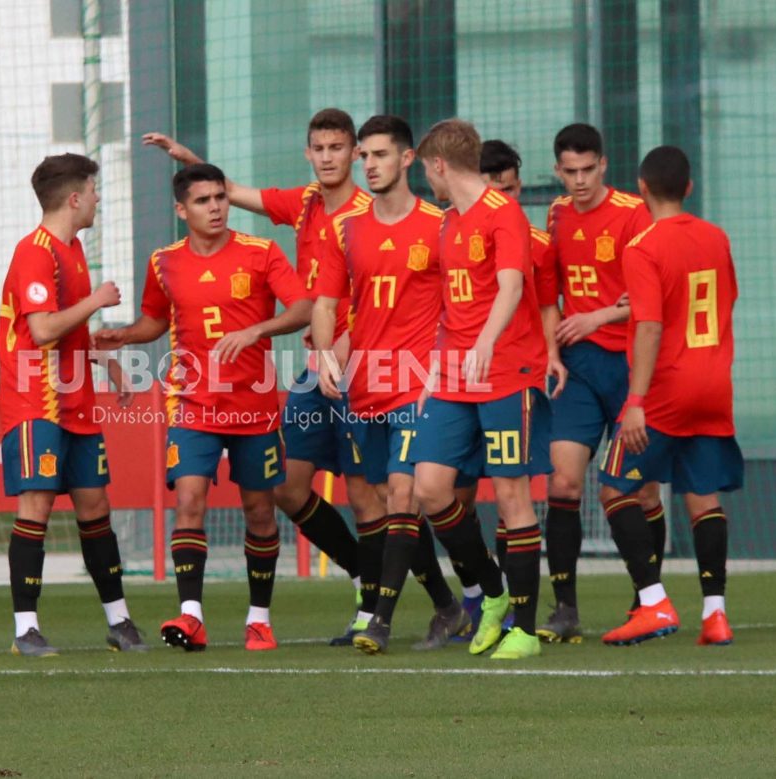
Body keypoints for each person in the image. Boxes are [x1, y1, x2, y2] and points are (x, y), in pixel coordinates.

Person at [143, 109, 384, 645]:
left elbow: (373, 292)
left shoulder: (373, 213)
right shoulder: (303, 204)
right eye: (319, 148)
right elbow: (233, 192)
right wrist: (190, 160)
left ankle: (395, 604)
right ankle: (364, 574)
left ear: (355, 154)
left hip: (363, 363)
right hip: (313, 368)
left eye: (338, 148)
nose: (327, 157)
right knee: (286, 489)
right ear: (309, 152)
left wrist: (339, 344)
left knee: (370, 492)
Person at [94, 163, 311, 651]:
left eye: (220, 197)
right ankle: (191, 615)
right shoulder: (164, 262)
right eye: (202, 200)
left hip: (253, 406)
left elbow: (302, 308)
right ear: (181, 209)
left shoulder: (261, 252)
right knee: (189, 499)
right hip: (192, 403)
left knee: (259, 511)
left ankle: (259, 618)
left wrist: (257, 330)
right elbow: (155, 321)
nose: (215, 207)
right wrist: (124, 335)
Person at [312, 115, 472, 654]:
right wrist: (327, 362)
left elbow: (460, 305)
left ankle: (377, 620)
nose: (371, 165)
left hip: (420, 385)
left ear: (408, 160)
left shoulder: (440, 225)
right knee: (382, 501)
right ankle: (452, 604)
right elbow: (327, 304)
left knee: (405, 496)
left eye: (380, 155)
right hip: (367, 384)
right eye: (366, 157)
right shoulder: (347, 229)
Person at [408, 118, 552, 660]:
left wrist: (487, 343)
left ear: (440, 165)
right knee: (430, 488)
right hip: (453, 377)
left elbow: (512, 286)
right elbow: (451, 309)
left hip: (505, 373)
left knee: (511, 495)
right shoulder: (448, 223)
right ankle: (493, 592)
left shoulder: (504, 212)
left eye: (427, 169)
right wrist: (435, 371)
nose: (429, 181)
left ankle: (525, 630)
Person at [0, 154, 145, 656]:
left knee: (95, 505)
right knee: (36, 507)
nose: (99, 198)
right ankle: (24, 629)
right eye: (94, 190)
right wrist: (98, 299)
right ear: (75, 197)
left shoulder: (73, 248)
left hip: (75, 399)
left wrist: (107, 363)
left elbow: (69, 331)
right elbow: (41, 329)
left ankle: (120, 621)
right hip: (35, 401)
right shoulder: (34, 252)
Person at [598, 145, 742, 647]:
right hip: (714, 384)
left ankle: (654, 603)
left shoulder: (642, 246)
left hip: (666, 390)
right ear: (689, 188)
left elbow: (651, 327)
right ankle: (715, 614)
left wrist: (635, 400)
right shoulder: (716, 237)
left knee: (614, 489)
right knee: (702, 497)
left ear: (640, 188)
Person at [537, 123, 660, 644]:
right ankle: (565, 607)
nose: (580, 180)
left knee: (642, 489)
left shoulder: (634, 213)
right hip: (580, 368)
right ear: (558, 171)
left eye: (589, 170)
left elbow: (649, 297)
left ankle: (645, 599)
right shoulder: (557, 213)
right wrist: (552, 354)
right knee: (563, 483)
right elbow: (549, 295)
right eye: (570, 171)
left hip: (630, 366)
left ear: (604, 165)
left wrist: (597, 317)